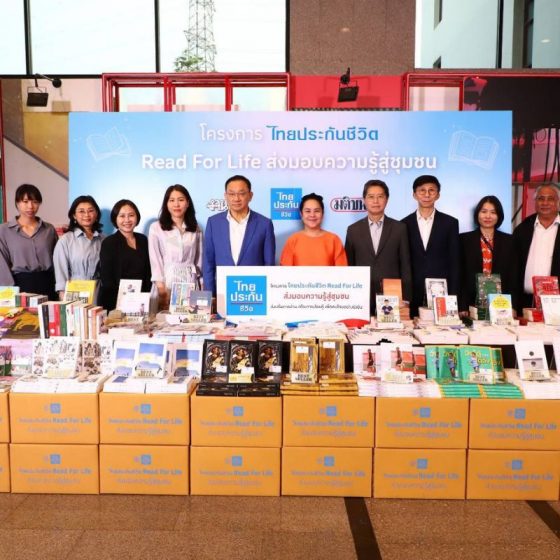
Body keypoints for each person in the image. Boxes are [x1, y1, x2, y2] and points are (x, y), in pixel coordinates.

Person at [345, 180, 412, 315]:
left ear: (387, 199)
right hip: (361, 296)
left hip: (392, 297)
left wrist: (406, 298)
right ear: (364, 200)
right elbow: (349, 266)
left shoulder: (399, 228)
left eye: (380, 196)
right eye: (371, 197)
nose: (375, 201)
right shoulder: (353, 230)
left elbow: (405, 265)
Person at [203, 175, 275, 295]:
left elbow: (269, 264)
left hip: (254, 292)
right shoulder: (213, 223)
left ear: (250, 195)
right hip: (222, 292)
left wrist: (267, 294)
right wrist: (209, 295)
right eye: (231, 194)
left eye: (241, 193)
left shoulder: (264, 224)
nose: (236, 198)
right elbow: (208, 262)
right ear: (225, 196)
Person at [401, 175, 460, 317]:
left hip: (441, 293)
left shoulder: (450, 223)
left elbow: (455, 262)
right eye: (422, 190)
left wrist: (453, 296)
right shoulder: (403, 224)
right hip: (412, 293)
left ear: (438, 195)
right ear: (414, 194)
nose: (427, 194)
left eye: (431, 190)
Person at [459, 195, 517, 313]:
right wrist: (462, 306)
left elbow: (514, 275)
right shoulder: (463, 240)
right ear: (477, 214)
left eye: (493, 212)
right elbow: (460, 275)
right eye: (484, 211)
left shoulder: (509, 241)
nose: (488, 216)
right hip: (471, 303)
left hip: (501, 303)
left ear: (499, 216)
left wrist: (513, 306)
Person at [148, 184, 203, 310]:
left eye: (181, 200)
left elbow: (199, 261)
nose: (176, 204)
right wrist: (161, 289)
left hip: (190, 282)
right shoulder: (156, 228)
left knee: (190, 319)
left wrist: (202, 287)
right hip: (167, 283)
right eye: (172, 200)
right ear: (166, 204)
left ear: (187, 203)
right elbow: (155, 260)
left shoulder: (195, 228)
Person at [0, 184, 58, 299]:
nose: (30, 206)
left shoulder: (49, 229)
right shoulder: (4, 230)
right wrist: (8, 292)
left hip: (48, 283)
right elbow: (2, 264)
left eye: (35, 202)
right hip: (19, 285)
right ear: (17, 203)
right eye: (25, 201)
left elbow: (57, 259)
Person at [512, 183, 560, 313]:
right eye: (540, 198)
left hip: (556, 303)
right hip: (525, 302)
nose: (545, 203)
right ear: (535, 202)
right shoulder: (523, 229)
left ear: (558, 202)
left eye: (550, 199)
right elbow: (513, 267)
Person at [98, 199, 152, 311]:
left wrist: (146, 297)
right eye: (122, 216)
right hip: (116, 303)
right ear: (115, 219)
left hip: (141, 301)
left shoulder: (143, 240)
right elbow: (107, 279)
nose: (127, 220)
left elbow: (148, 272)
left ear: (137, 217)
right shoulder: (109, 242)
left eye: (131, 215)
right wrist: (121, 304)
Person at [54, 195, 104, 300]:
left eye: (90, 211)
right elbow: (61, 273)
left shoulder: (103, 239)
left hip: (99, 291)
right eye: (81, 211)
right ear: (74, 215)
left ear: (96, 214)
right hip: (75, 291)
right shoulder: (66, 240)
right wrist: (63, 296)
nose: (86, 215)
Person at [280, 193, 347, 266]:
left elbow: (342, 271)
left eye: (317, 211)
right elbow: (285, 271)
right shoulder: (293, 240)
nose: (312, 215)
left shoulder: (334, 240)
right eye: (307, 211)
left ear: (322, 214)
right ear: (301, 214)